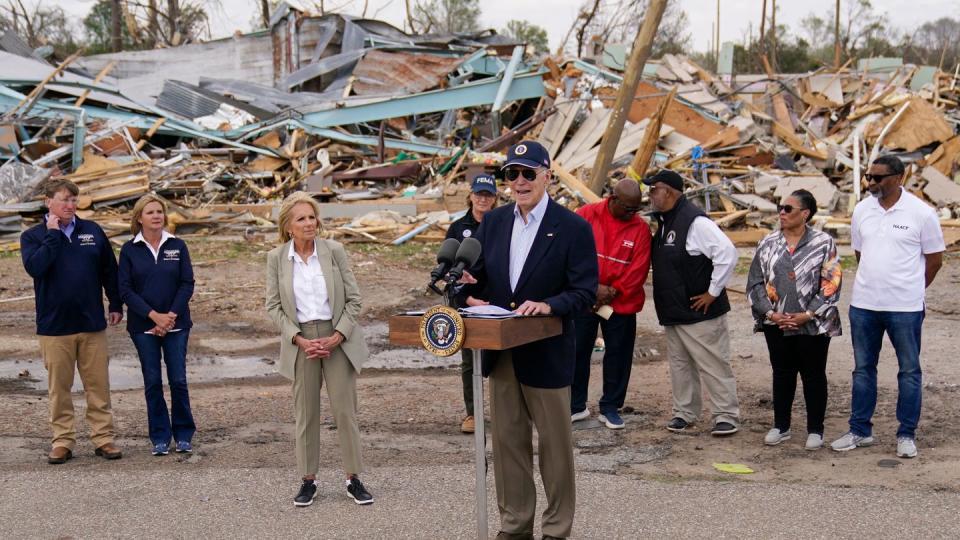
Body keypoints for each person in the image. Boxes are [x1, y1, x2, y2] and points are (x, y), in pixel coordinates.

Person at [459, 141, 597, 540]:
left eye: (527, 173)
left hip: (547, 352)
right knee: (507, 447)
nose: (519, 182)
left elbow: (585, 292)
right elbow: (481, 276)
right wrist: (467, 289)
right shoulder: (496, 222)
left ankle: (556, 529)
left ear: (546, 176)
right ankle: (515, 526)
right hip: (502, 355)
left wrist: (549, 304)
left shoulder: (573, 227)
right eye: (511, 174)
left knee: (554, 451)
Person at [265, 191, 374, 507]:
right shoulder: (276, 258)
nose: (309, 223)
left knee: (345, 412)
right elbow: (273, 306)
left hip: (336, 338)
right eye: (301, 218)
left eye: (312, 217)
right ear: (288, 225)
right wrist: (298, 338)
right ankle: (307, 480)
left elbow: (355, 299)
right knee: (306, 414)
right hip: (301, 343)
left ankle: (354, 478)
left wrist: (338, 334)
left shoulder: (334, 251)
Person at [831, 155, 945, 458]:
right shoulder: (861, 210)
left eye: (878, 178)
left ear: (899, 178)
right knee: (863, 370)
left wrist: (911, 289)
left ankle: (906, 434)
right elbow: (860, 252)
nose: (871, 183)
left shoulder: (922, 213)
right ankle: (859, 430)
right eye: (869, 177)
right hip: (864, 304)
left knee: (909, 371)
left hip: (905, 307)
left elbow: (934, 260)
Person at [20, 179, 124, 464]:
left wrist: (115, 303)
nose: (70, 205)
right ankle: (62, 441)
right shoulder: (33, 236)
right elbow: (36, 267)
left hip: (91, 324)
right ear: (48, 201)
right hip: (54, 328)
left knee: (98, 386)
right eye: (64, 200)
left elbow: (109, 270)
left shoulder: (91, 231)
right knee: (60, 390)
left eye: (74, 200)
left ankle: (103, 438)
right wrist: (53, 235)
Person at [643, 169, 741, 436]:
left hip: (701, 312)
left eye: (654, 189)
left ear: (670, 192)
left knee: (713, 363)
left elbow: (727, 253)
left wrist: (713, 291)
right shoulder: (665, 222)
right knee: (680, 365)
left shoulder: (695, 222)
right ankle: (684, 413)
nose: (650, 194)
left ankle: (726, 415)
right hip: (674, 311)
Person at [747, 189, 843, 451]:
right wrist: (771, 313)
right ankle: (781, 426)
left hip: (813, 323)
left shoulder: (824, 243)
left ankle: (815, 430)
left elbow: (831, 282)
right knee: (782, 373)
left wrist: (807, 314)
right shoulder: (767, 242)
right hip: (775, 322)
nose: (781, 212)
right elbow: (755, 282)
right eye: (780, 207)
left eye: (788, 209)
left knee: (813, 375)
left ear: (805, 214)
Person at [118, 194, 196, 456]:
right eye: (150, 212)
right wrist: (154, 316)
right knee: (152, 381)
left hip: (177, 324)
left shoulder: (177, 246)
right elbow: (125, 290)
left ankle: (184, 435)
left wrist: (170, 315)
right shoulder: (129, 250)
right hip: (144, 326)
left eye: (159, 212)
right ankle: (160, 438)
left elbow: (187, 283)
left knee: (178, 380)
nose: (156, 216)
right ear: (139, 218)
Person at [571, 179, 652, 429]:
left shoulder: (640, 229)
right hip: (585, 298)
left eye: (635, 209)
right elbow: (571, 253)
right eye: (628, 208)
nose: (632, 214)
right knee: (577, 351)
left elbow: (639, 270)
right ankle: (576, 405)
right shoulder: (586, 215)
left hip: (620, 303)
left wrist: (611, 292)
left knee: (618, 353)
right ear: (613, 199)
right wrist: (591, 289)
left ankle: (611, 406)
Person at [445, 173, 498, 434]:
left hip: (498, 302)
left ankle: (505, 410)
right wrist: (466, 299)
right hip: (466, 302)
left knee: (501, 358)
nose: (482, 199)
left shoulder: (504, 224)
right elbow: (448, 270)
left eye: (487, 195)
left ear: (495, 198)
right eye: (479, 194)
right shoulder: (457, 228)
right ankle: (473, 413)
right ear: (471, 195)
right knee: (470, 360)